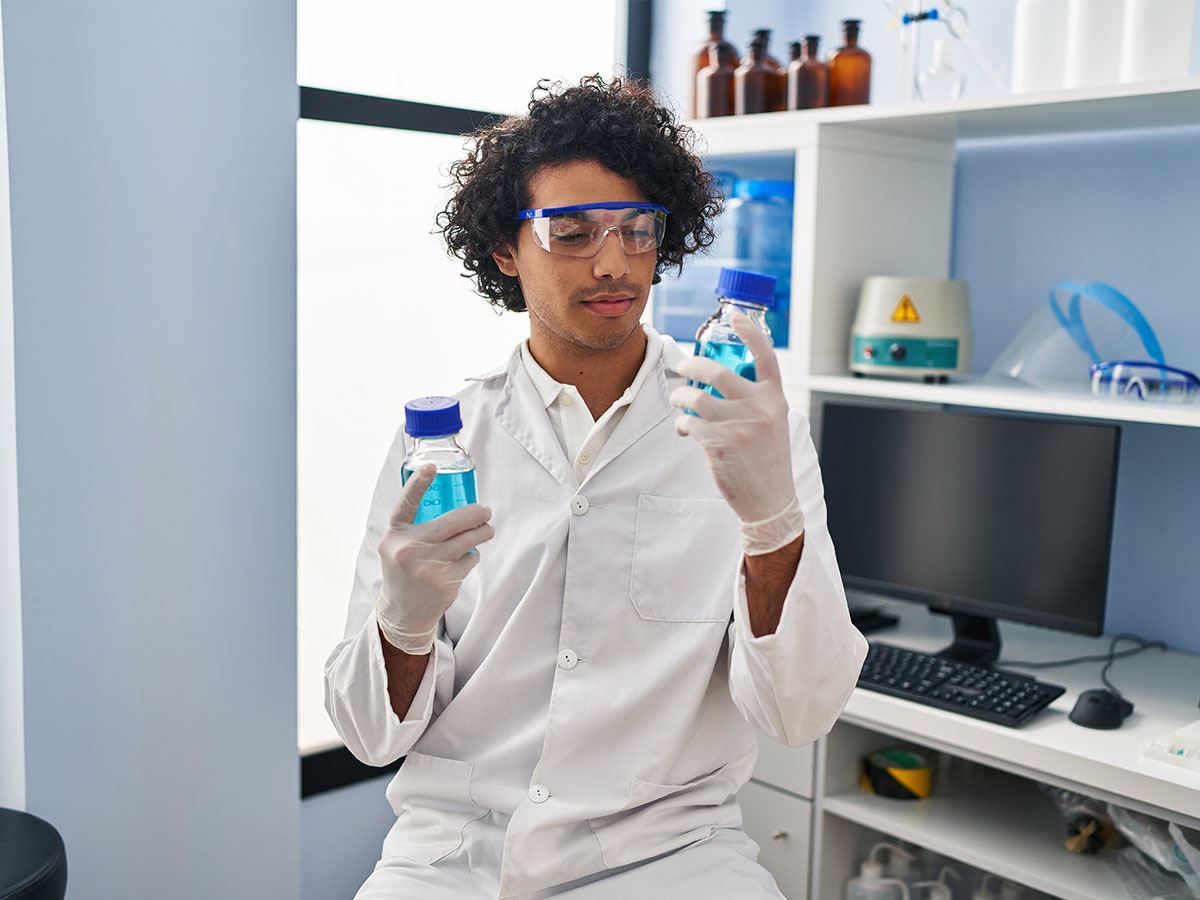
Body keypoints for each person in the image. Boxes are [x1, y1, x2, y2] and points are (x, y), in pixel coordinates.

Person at [324, 75, 868, 900]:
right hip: (457, 853)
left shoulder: (751, 429)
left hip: (669, 855)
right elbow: (370, 737)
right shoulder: (441, 444)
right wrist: (402, 622)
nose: (613, 262)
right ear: (506, 252)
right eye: (571, 232)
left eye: (637, 230)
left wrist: (771, 521)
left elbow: (802, 714)